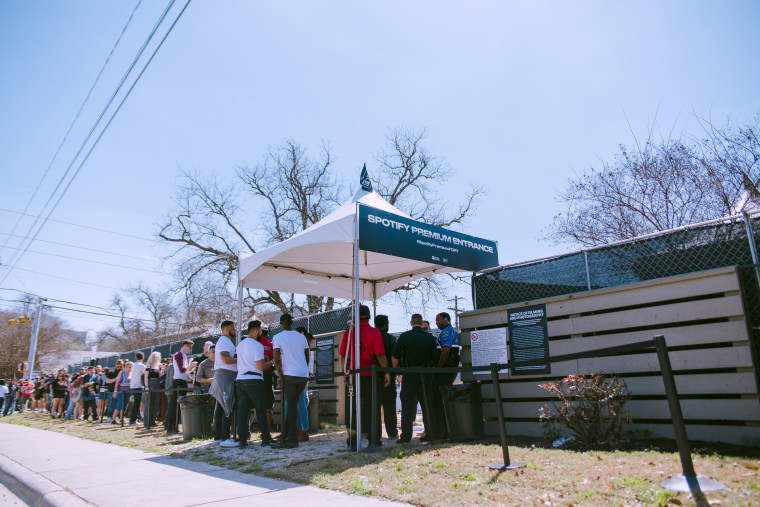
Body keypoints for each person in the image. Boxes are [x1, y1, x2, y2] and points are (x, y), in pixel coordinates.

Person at [338, 305, 391, 447]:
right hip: (370, 375)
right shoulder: (374, 332)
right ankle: (374, 438)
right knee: (372, 407)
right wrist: (386, 371)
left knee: (353, 408)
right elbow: (380, 354)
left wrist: (345, 373)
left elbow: (343, 356)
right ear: (369, 316)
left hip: (353, 374)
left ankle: (353, 440)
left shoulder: (348, 333)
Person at [392, 313, 436, 444]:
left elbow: (395, 355)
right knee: (427, 405)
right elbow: (434, 357)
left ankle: (406, 436)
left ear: (411, 323)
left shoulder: (404, 336)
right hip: (425, 373)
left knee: (407, 405)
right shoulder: (429, 338)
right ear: (422, 323)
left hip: (409, 373)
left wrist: (396, 372)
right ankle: (430, 434)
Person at [231, 320, 273, 448]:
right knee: (260, 409)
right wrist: (270, 364)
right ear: (256, 331)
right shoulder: (257, 345)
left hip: (240, 379)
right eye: (260, 331)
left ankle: (242, 440)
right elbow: (260, 366)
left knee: (243, 410)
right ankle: (265, 438)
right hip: (254, 379)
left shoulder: (240, 345)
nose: (261, 333)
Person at [272, 314, 310, 448]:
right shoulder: (301, 337)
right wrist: (303, 370)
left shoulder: (278, 337)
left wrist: (281, 375)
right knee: (294, 405)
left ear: (281, 323)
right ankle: (285, 434)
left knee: (291, 407)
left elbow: (276, 359)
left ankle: (292, 439)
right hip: (302, 374)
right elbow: (307, 355)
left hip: (289, 375)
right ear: (292, 322)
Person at [431, 311, 460, 440]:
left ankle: (443, 430)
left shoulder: (447, 332)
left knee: (439, 398)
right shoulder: (452, 331)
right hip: (450, 369)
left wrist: (439, 366)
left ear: (446, 319)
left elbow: (446, 350)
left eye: (438, 320)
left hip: (446, 370)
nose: (436, 322)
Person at [210, 322, 237, 445]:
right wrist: (240, 359)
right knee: (227, 405)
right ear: (226, 329)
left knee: (221, 407)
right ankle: (225, 437)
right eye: (232, 328)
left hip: (223, 375)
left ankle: (218, 436)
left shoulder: (224, 341)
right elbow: (225, 359)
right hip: (225, 375)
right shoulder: (225, 341)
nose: (235, 330)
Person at [374, 314, 398, 439]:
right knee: (390, 406)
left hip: (373, 376)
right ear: (385, 325)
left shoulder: (371, 337)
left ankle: (376, 433)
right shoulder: (391, 339)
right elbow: (395, 356)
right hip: (388, 374)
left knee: (374, 406)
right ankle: (392, 432)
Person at [166, 341, 196, 434]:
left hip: (182, 381)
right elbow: (182, 369)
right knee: (176, 405)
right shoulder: (178, 354)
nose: (190, 350)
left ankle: (174, 427)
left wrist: (189, 373)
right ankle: (171, 427)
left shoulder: (183, 355)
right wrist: (190, 366)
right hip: (178, 382)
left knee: (178, 405)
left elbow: (184, 371)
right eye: (189, 348)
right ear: (185, 346)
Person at [143, 352, 162, 427]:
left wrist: (162, 370)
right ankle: (146, 422)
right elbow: (146, 376)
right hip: (150, 383)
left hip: (157, 383)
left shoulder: (158, 365)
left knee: (156, 402)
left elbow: (159, 376)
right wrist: (146, 386)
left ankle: (152, 421)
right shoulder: (148, 365)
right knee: (149, 403)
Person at [129, 352, 146, 425]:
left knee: (135, 403)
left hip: (133, 386)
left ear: (136, 358)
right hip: (138, 386)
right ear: (143, 358)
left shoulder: (133, 365)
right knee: (136, 404)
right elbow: (145, 374)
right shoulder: (142, 366)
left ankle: (133, 419)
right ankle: (132, 420)